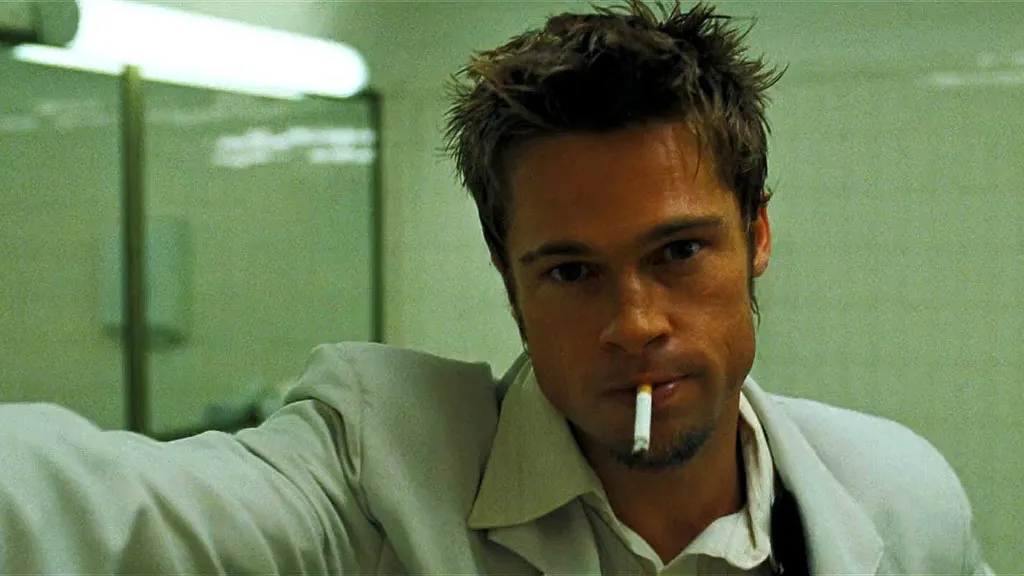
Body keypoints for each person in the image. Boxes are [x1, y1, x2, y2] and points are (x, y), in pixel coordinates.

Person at [0, 1, 994, 574]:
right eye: (571, 271)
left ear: (758, 235)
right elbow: (104, 510)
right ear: (508, 279)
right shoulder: (379, 471)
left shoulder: (901, 500)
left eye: (679, 252)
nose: (635, 323)